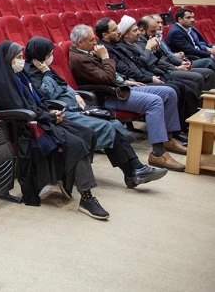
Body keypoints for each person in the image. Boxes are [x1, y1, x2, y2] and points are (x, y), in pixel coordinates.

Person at [0, 40, 109, 219]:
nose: (22, 61)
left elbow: (37, 99)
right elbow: (21, 109)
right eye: (18, 57)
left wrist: (51, 111)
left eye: (22, 57)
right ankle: (87, 197)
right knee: (76, 144)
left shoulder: (20, 75)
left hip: (41, 118)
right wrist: (49, 116)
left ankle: (67, 176)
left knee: (87, 133)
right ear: (8, 58)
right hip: (26, 127)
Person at [24, 37, 167, 189]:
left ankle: (134, 171)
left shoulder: (46, 69)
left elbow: (63, 84)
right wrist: (46, 73)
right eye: (48, 55)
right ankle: (134, 171)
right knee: (108, 127)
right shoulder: (33, 73)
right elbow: (46, 94)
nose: (51, 57)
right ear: (38, 57)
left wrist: (75, 94)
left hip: (77, 109)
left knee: (113, 123)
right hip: (62, 114)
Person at [68, 24, 186, 171]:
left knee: (169, 92)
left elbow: (111, 75)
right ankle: (158, 153)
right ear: (80, 42)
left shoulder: (88, 51)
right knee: (154, 102)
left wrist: (126, 81)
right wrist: (105, 57)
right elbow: (106, 78)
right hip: (109, 96)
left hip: (120, 87)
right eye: (91, 40)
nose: (95, 42)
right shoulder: (79, 59)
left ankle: (168, 139)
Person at [97, 17, 193, 144]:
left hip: (140, 77)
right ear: (105, 35)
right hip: (128, 85)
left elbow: (139, 64)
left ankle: (174, 133)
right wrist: (150, 77)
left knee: (177, 88)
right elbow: (126, 71)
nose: (119, 31)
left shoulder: (116, 45)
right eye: (115, 30)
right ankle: (166, 139)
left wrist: (154, 56)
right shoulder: (105, 50)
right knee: (173, 89)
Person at [138, 15, 215, 90]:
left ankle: (205, 96)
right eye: (152, 31)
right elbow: (154, 62)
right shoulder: (143, 43)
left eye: (161, 23)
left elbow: (166, 55)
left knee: (208, 72)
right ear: (142, 30)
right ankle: (203, 97)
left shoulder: (153, 38)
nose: (155, 33)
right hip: (163, 71)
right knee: (198, 76)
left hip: (171, 66)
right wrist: (176, 68)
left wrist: (181, 62)